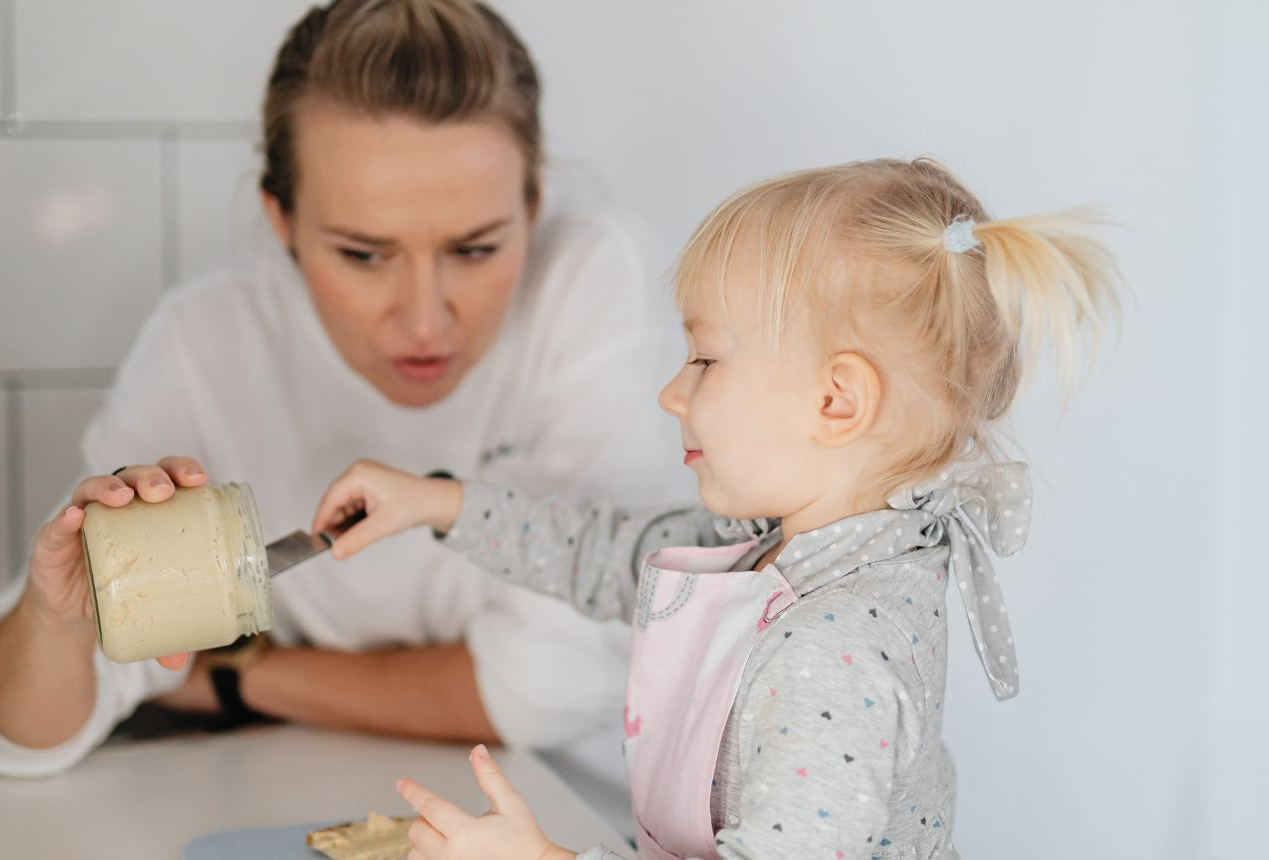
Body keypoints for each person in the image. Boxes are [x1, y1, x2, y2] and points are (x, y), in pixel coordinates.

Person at [0, 0, 685, 812]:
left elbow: (552, 688)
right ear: (283, 222)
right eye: (364, 255)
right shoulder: (208, 345)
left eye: (476, 249)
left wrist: (233, 676)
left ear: (534, 207)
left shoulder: (592, 281)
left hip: (575, 815)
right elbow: (15, 742)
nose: (424, 319)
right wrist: (61, 622)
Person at [310, 157, 1120, 858]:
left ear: (837, 401)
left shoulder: (830, 649)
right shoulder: (765, 553)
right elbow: (600, 551)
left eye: (704, 358)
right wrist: (436, 502)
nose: (672, 393)